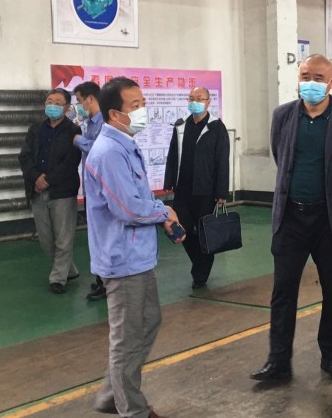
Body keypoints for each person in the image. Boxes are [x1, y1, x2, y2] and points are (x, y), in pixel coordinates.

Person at [250, 54, 332, 383]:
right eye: (305, 75)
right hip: (290, 218)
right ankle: (278, 362)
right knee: (283, 291)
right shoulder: (283, 116)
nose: (310, 82)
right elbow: (281, 156)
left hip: (329, 219)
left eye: (318, 77)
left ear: (331, 82)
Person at [85, 77, 183, 418]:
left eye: (143, 103)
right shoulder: (110, 152)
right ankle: (132, 410)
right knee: (127, 339)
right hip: (122, 259)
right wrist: (163, 212)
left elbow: (138, 197)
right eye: (135, 106)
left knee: (148, 323)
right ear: (115, 114)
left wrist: (160, 213)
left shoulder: (125, 144)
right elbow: (126, 208)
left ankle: (112, 395)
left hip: (138, 256)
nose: (143, 111)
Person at [163, 86, 230, 289]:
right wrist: (168, 181)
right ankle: (200, 265)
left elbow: (222, 161)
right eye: (191, 98)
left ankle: (200, 274)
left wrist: (221, 192)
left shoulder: (217, 127)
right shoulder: (181, 125)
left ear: (208, 102)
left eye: (199, 98)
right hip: (183, 188)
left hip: (206, 191)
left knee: (204, 232)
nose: (195, 102)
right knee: (181, 230)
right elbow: (172, 154)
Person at [19, 89, 82, 295]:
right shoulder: (36, 129)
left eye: (57, 103)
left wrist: (48, 180)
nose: (51, 106)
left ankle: (58, 279)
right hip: (37, 190)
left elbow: (71, 162)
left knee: (64, 238)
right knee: (46, 239)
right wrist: (36, 177)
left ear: (66, 107)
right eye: (49, 101)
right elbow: (25, 156)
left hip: (62, 191)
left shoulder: (74, 131)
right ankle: (69, 270)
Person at [72, 81, 107, 302]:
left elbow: (100, 150)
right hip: (91, 188)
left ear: (90, 99)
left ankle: (106, 281)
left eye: (79, 101)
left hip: (102, 189)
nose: (79, 106)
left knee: (103, 236)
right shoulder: (89, 123)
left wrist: (78, 141)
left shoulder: (104, 122)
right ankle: (101, 278)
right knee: (95, 236)